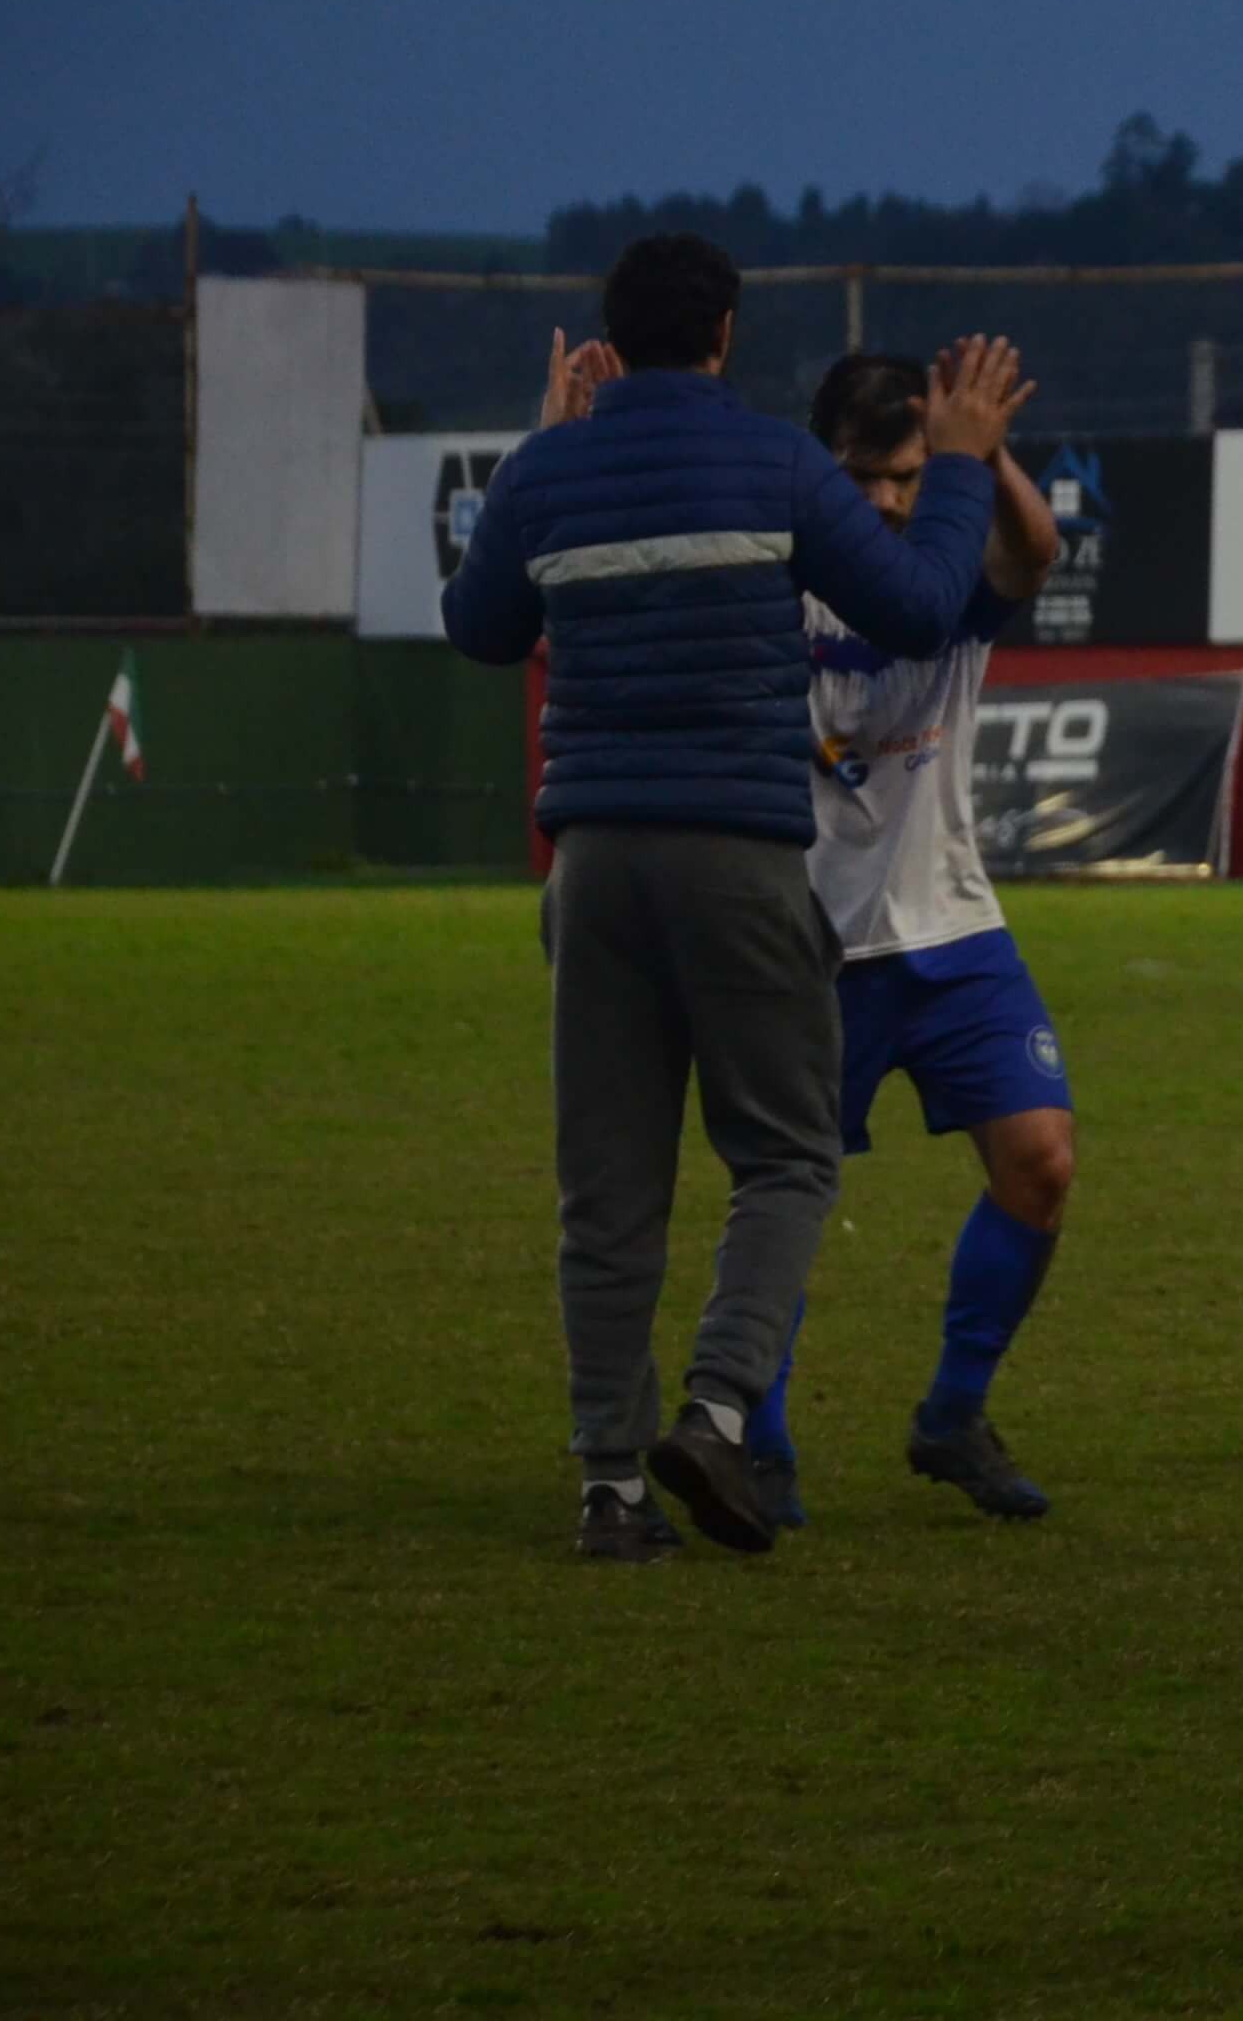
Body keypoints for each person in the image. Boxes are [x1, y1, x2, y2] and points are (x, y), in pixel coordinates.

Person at [441, 232, 1026, 1560]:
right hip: (741, 852)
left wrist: (545, 444)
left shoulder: (549, 472)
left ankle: (610, 1489)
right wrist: (958, 460)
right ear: (722, 338)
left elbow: (478, 629)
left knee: (609, 1184)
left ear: (611, 338)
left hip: (589, 861)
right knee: (786, 1155)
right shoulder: (776, 464)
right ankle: (714, 1411)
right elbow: (926, 606)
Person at [734, 344, 1074, 1529]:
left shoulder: (948, 560)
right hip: (806, 937)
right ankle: (762, 1447)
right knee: (786, 1200)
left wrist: (981, 451)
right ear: (819, 468)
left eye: (906, 475)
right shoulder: (772, 574)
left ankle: (951, 1416)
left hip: (952, 926)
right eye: (862, 476)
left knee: (1041, 1165)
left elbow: (1034, 555)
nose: (885, 500)